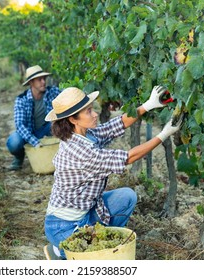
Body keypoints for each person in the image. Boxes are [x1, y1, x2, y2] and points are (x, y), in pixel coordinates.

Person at [43, 86, 183, 259]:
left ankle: (87, 244)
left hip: (85, 213)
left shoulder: (85, 134)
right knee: (97, 254)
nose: (95, 114)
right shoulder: (80, 152)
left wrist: (148, 105)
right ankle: (61, 251)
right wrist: (163, 135)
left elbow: (117, 125)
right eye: (88, 112)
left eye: (92, 109)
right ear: (73, 119)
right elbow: (129, 157)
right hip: (63, 226)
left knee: (127, 197)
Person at [6, 65, 62, 171]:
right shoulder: (21, 99)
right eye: (39, 80)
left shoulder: (52, 92)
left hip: (46, 130)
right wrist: (35, 142)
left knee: (56, 123)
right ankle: (19, 156)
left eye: (44, 79)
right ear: (31, 83)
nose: (43, 82)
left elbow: (67, 95)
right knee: (14, 142)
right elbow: (20, 125)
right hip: (28, 132)